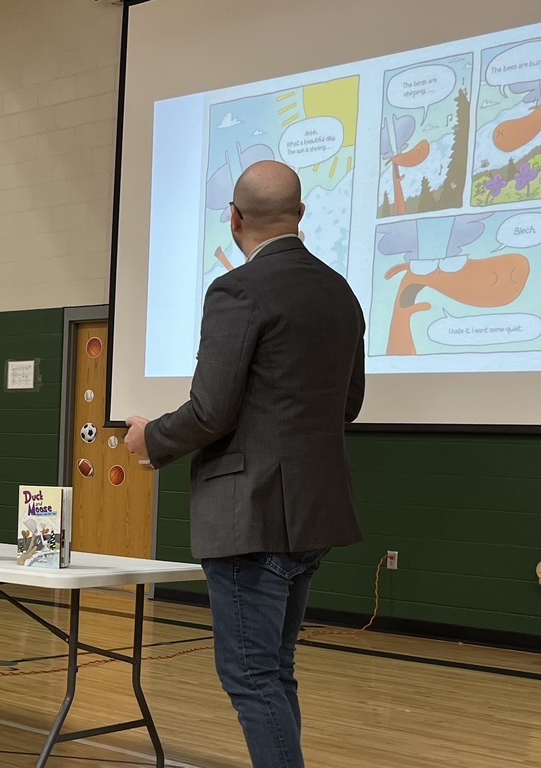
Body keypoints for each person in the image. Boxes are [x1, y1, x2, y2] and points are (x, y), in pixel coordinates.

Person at [124, 160, 365, 768]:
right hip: (312, 514)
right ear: (302, 213)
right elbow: (350, 404)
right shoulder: (340, 291)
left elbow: (209, 412)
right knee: (273, 673)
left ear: (233, 217)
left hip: (250, 517)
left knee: (253, 678)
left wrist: (150, 438)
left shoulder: (237, 289)